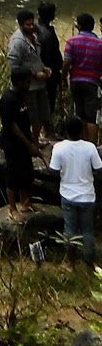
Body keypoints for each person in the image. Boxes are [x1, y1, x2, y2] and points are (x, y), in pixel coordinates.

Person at [49, 114, 102, 265]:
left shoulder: (58, 148)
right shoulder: (90, 148)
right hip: (87, 196)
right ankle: (90, 263)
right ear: (81, 131)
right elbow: (99, 168)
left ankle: (70, 262)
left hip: (68, 195)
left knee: (70, 229)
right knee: (88, 231)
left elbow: (53, 170)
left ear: (66, 131)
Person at [0, 69, 43, 218]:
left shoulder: (21, 96)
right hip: (12, 143)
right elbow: (12, 126)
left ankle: (25, 202)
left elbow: (24, 121)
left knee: (26, 172)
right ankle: (12, 209)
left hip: (24, 141)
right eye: (27, 82)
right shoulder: (8, 99)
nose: (29, 85)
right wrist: (28, 144)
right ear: (18, 82)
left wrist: (32, 139)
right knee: (13, 175)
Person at [7, 8, 52, 145]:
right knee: (32, 116)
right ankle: (31, 143)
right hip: (28, 86)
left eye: (33, 24)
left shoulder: (33, 36)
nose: (32, 27)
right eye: (28, 25)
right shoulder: (17, 42)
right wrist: (33, 74)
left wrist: (44, 68)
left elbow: (35, 58)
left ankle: (36, 141)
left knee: (42, 114)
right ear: (20, 24)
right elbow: (14, 66)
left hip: (40, 83)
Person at [65, 13, 102, 144]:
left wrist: (64, 77)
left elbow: (67, 62)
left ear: (78, 26)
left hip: (75, 81)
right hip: (93, 82)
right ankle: (91, 145)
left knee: (79, 113)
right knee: (92, 116)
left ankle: (79, 142)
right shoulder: (99, 43)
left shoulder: (71, 42)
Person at [36, 1, 64, 121]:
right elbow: (52, 56)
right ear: (52, 15)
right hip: (49, 73)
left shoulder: (35, 29)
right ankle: (46, 130)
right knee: (48, 104)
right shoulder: (47, 34)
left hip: (39, 71)